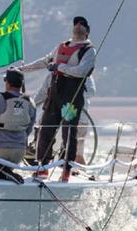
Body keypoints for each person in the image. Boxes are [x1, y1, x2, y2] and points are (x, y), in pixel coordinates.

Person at [23, 16, 96, 182]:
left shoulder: (89, 50)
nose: (78, 26)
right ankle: (42, 167)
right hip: (54, 95)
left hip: (71, 98)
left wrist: (59, 67)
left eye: (82, 24)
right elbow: (44, 62)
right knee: (45, 130)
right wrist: (22, 70)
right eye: (76, 24)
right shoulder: (61, 46)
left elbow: (81, 71)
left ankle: (66, 170)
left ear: (87, 31)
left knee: (68, 134)